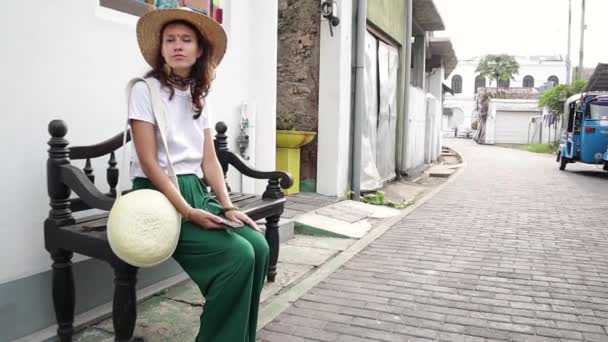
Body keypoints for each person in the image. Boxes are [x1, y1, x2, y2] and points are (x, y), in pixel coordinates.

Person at [128, 7, 269, 342]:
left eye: (186, 40)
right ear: (161, 48)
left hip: (195, 191)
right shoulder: (144, 90)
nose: (178, 46)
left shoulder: (198, 94)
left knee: (259, 247)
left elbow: (209, 162)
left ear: (199, 49)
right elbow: (149, 163)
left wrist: (228, 205)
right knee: (238, 255)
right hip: (157, 195)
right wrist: (187, 211)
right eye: (170, 40)